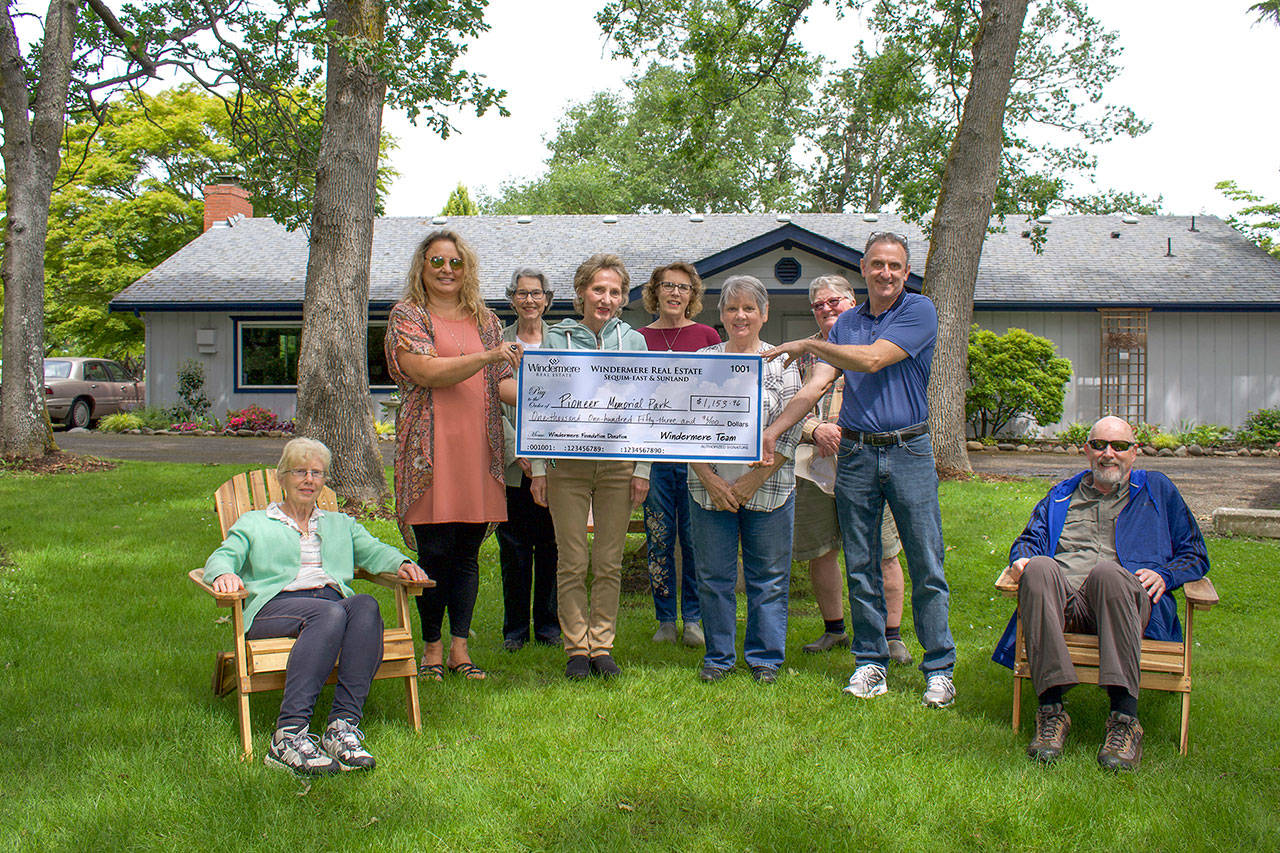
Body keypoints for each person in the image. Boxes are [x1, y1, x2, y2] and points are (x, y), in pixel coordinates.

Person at [762, 231, 957, 707]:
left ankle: (939, 668)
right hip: (855, 455)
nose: (885, 273)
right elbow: (815, 386)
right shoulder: (846, 323)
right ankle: (869, 663)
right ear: (864, 270)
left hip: (908, 450)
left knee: (925, 561)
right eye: (877, 265)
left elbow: (871, 361)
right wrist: (773, 431)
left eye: (894, 266)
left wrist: (810, 341)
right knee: (862, 562)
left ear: (904, 273)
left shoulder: (918, 310)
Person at [203, 438, 431, 774]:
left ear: (324, 481)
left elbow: (373, 550)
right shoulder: (255, 522)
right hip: (274, 608)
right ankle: (288, 736)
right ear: (283, 477)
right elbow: (223, 556)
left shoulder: (339, 524)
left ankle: (342, 728)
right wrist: (223, 573)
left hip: (328, 610)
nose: (309, 480)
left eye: (317, 473)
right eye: (300, 472)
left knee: (365, 605)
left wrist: (401, 563)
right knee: (332, 612)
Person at [993, 416, 1210, 770]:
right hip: (1065, 605)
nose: (1109, 454)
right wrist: (1021, 561)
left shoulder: (1157, 491)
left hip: (1125, 604)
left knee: (1109, 573)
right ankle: (1051, 712)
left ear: (1134, 453)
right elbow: (1027, 542)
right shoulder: (1062, 494)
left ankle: (1125, 719)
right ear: (1086, 450)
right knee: (1040, 568)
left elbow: (1196, 553)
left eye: (1119, 446)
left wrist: (1166, 575)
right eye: (1100, 445)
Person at [385, 229, 521, 682]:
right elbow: (425, 371)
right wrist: (487, 357)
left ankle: (460, 650)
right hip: (429, 452)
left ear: (468, 269)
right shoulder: (407, 314)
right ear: (422, 268)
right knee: (434, 552)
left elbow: (502, 384)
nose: (447, 270)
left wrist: (559, 399)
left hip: (477, 451)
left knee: (465, 553)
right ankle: (430, 650)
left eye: (456, 262)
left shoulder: (485, 320)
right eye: (437, 262)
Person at [529, 253, 651, 680]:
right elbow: (538, 406)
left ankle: (603, 646)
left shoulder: (634, 342)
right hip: (568, 467)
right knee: (572, 559)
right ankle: (576, 648)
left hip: (620, 465)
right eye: (598, 289)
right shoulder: (554, 341)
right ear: (582, 291)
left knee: (609, 560)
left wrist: (642, 469)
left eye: (615, 291)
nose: (606, 298)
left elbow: (646, 410)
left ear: (623, 298)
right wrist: (541, 470)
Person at [792, 275, 912, 665]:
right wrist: (814, 428)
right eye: (818, 305)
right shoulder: (803, 354)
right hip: (812, 467)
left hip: (871, 462)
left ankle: (891, 635)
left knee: (885, 552)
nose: (827, 309)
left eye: (834, 301)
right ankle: (835, 629)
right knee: (820, 552)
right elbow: (785, 404)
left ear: (851, 301)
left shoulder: (876, 345)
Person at [690, 275, 802, 685]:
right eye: (732, 308)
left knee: (768, 577)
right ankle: (718, 657)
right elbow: (681, 426)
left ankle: (765, 658)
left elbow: (792, 427)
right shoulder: (702, 361)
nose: (740, 316)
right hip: (709, 490)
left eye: (749, 308)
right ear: (720, 315)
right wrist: (711, 480)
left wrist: (752, 482)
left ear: (764, 314)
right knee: (714, 577)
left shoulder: (784, 362)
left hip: (769, 489)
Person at [636, 262, 720, 648]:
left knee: (695, 540)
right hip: (652, 456)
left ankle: (695, 620)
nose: (675, 293)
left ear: (692, 295)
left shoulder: (706, 336)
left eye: (683, 288)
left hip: (696, 455)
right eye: (668, 286)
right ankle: (665, 618)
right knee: (658, 537)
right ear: (655, 292)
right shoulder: (637, 339)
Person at [498, 267, 560, 651]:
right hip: (514, 465)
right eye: (522, 294)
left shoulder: (564, 342)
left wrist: (547, 454)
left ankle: (549, 628)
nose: (529, 300)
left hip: (557, 465)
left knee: (553, 547)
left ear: (547, 299)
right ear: (512, 299)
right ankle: (516, 630)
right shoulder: (498, 342)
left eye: (536, 293)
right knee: (515, 548)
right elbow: (490, 402)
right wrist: (515, 448)